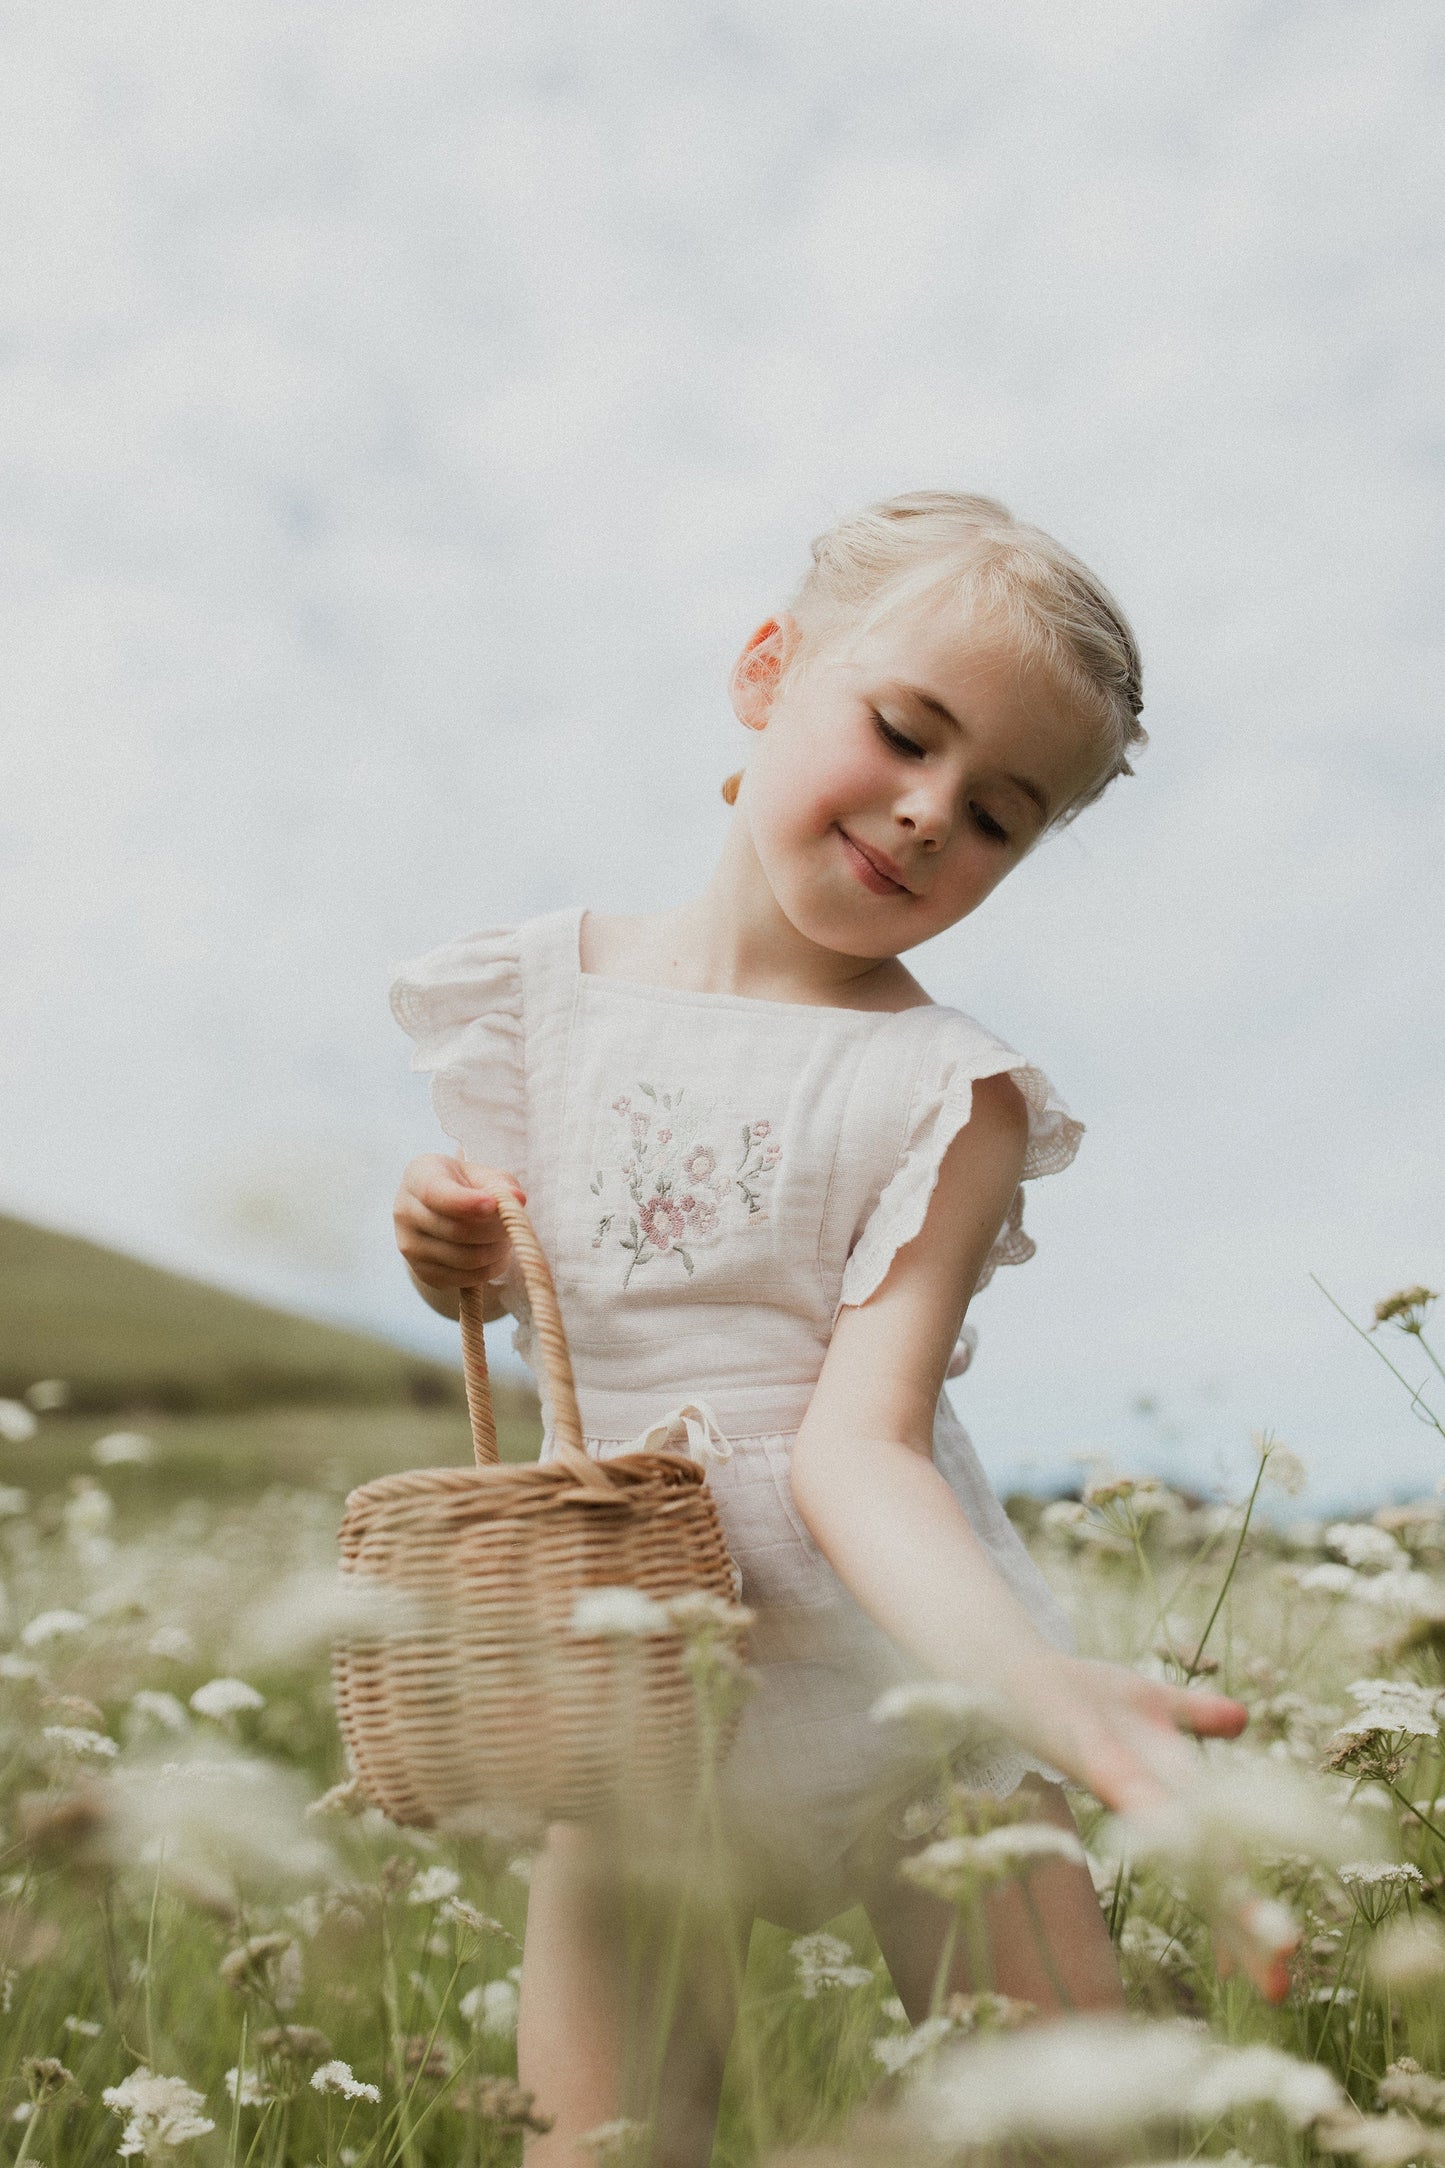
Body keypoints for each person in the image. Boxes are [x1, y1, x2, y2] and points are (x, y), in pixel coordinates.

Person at [389, 491, 1251, 2163]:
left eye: (999, 814)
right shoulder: (537, 1003)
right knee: (602, 2140)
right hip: (633, 1710)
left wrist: (1020, 1688)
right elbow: (529, 1309)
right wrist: (452, 1256)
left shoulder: (948, 1090)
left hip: (912, 1682)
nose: (931, 815)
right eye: (903, 734)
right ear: (766, 671)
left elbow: (857, 1439)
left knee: (1070, 2124)